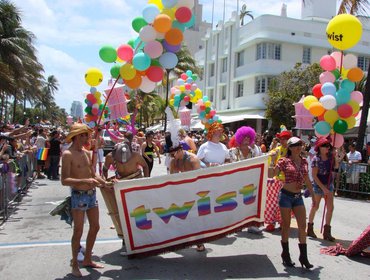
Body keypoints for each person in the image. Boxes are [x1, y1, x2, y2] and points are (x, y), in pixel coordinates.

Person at [61, 123, 113, 277]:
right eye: (83, 135)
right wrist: (84, 181)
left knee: (95, 227)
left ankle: (87, 259)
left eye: (87, 134)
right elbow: (64, 180)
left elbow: (93, 175)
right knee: (78, 230)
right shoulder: (67, 154)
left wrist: (105, 183)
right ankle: (75, 263)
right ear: (76, 136)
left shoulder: (87, 153)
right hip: (79, 196)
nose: (86, 137)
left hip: (92, 195)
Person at [102, 131, 149, 255]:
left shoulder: (135, 156)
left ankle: (142, 235)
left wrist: (146, 180)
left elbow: (145, 166)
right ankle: (127, 238)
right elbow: (105, 170)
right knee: (123, 212)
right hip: (121, 185)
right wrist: (105, 182)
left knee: (138, 210)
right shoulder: (110, 157)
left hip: (135, 184)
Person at [274, 137, 314, 268]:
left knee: (302, 226)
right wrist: (271, 161)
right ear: (290, 148)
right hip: (285, 196)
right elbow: (272, 173)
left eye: (300, 144)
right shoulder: (284, 161)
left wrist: (313, 197)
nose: (298, 147)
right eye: (295, 145)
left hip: (298, 196)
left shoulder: (304, 162)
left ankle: (304, 257)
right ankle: (285, 254)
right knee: (286, 225)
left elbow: (307, 179)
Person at [166, 132, 205, 252]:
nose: (171, 157)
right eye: (170, 154)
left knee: (195, 217)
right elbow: (172, 179)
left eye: (173, 154)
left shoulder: (193, 160)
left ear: (179, 150)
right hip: (184, 188)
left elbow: (198, 182)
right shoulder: (174, 161)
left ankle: (200, 242)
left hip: (197, 188)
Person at [229, 126, 263, 234]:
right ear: (240, 138)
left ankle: (251, 224)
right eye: (245, 137)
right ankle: (236, 224)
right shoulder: (232, 152)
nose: (247, 139)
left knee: (250, 203)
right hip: (236, 181)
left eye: (249, 137)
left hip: (250, 181)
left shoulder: (253, 152)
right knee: (236, 203)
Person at [307, 137, 339, 242]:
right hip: (318, 185)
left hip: (328, 184)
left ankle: (327, 231)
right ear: (319, 147)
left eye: (328, 146)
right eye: (325, 146)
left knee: (330, 208)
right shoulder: (316, 159)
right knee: (315, 206)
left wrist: (337, 159)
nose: (327, 148)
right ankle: (310, 228)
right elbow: (314, 175)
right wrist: (323, 188)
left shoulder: (331, 158)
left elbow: (335, 170)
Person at [264, 125, 291, 232]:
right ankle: (270, 222)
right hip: (276, 180)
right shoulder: (277, 150)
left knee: (285, 204)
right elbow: (268, 160)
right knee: (272, 202)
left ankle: (282, 222)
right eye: (282, 138)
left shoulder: (293, 151)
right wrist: (271, 151)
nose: (283, 140)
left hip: (288, 181)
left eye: (285, 139)